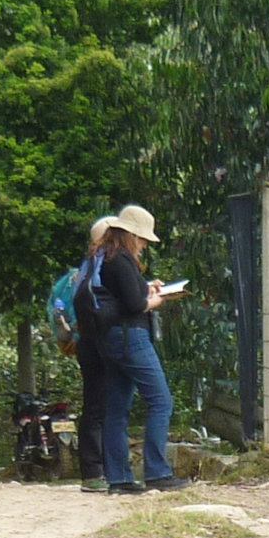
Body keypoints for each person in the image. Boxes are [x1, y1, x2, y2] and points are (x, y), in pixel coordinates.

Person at [96, 204, 188, 494]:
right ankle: (157, 472)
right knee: (161, 401)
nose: (145, 244)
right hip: (131, 337)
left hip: (111, 338)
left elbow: (124, 296)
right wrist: (156, 300)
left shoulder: (107, 258)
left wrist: (147, 287)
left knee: (118, 408)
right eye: (143, 239)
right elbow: (134, 305)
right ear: (130, 235)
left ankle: (119, 478)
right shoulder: (120, 261)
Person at [75, 215, 113, 492]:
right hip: (100, 340)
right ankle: (97, 471)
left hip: (85, 340)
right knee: (103, 406)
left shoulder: (85, 266)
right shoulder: (104, 264)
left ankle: (93, 471)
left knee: (94, 404)